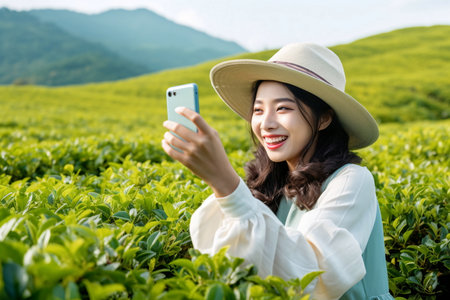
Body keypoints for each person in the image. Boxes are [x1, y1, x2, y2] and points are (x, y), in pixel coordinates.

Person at [162, 43, 393, 299]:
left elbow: (312, 275)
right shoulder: (269, 183)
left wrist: (226, 183)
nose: (266, 124)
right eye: (258, 110)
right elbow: (228, 265)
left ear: (324, 118)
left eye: (283, 108)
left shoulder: (351, 180)